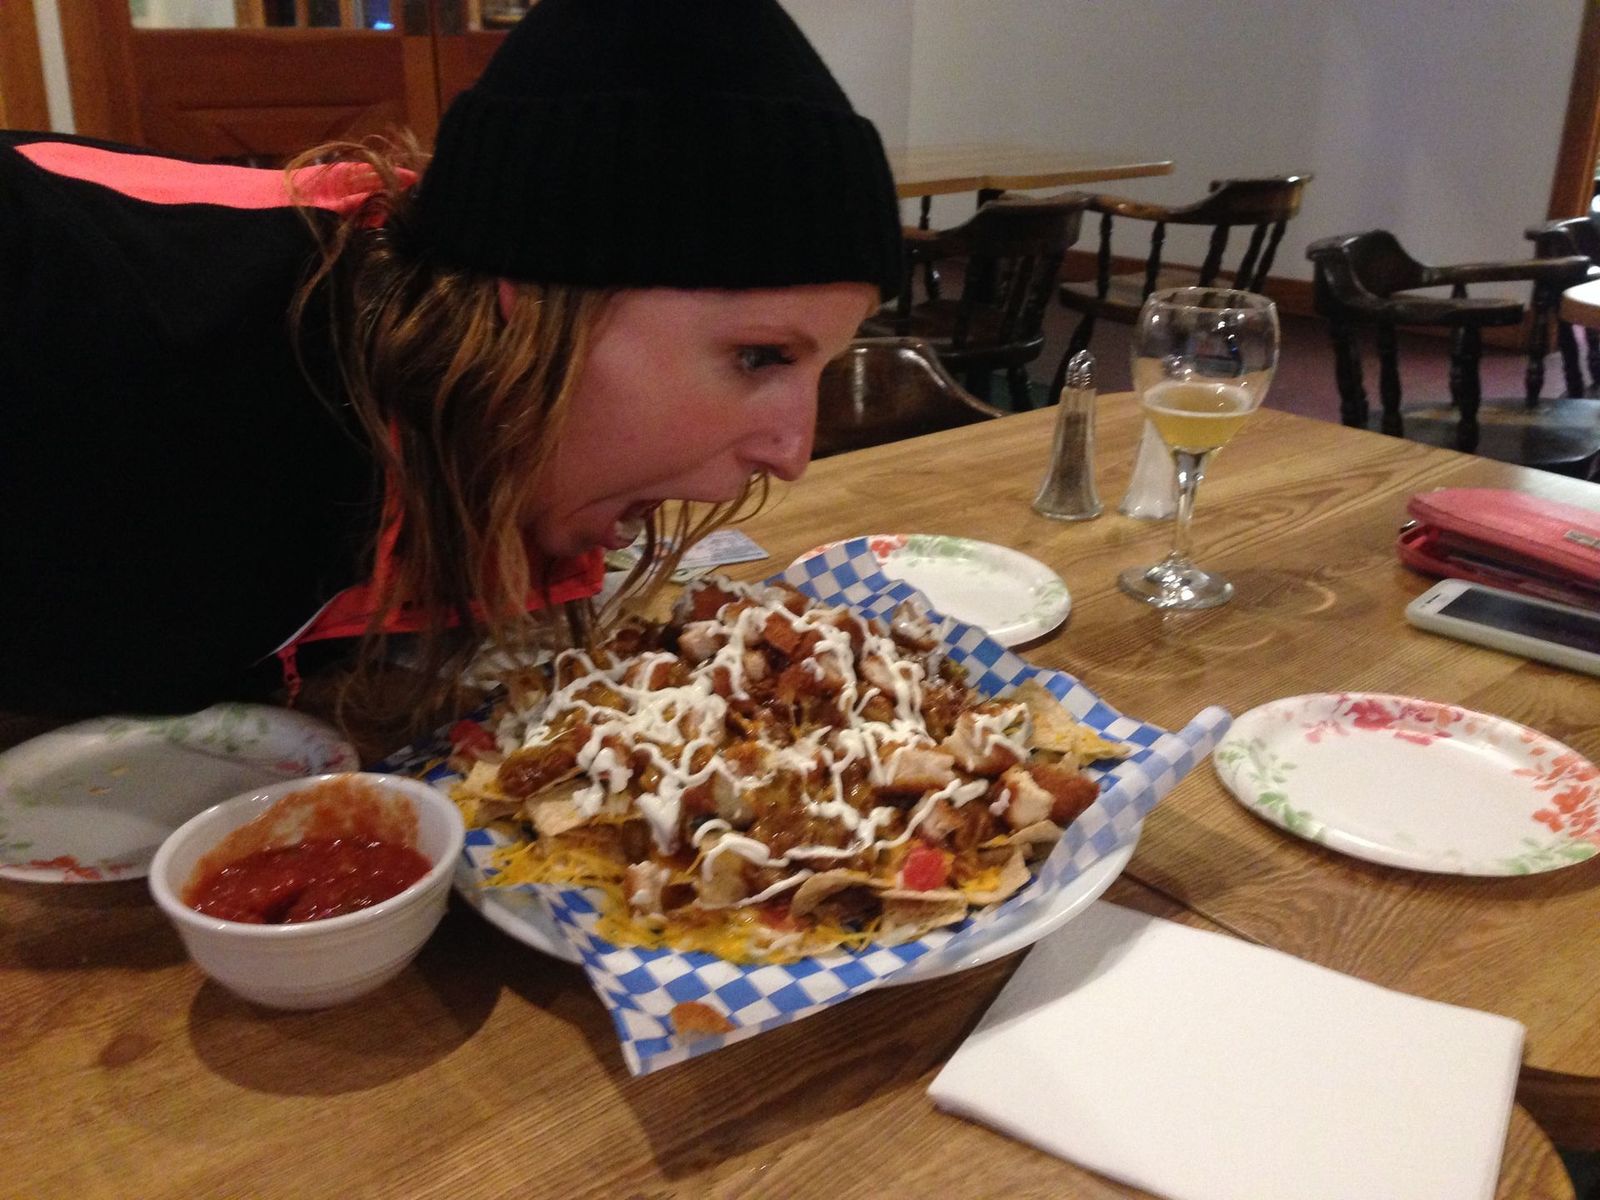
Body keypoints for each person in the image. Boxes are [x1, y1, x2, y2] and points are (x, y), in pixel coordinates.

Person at [0, 0, 902, 731]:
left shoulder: (516, 459)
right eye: (758, 355)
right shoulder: (98, 303)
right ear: (532, 301)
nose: (793, 453)